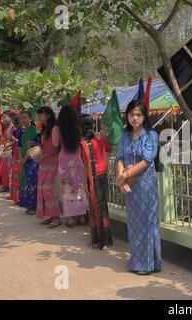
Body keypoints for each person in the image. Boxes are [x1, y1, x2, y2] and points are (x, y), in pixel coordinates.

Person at [116, 100, 161, 275]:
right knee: (134, 224)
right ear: (127, 116)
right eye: (131, 114)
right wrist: (122, 178)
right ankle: (137, 260)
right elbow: (120, 157)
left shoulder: (151, 135)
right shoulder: (125, 136)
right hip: (130, 187)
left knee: (148, 223)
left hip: (145, 184)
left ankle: (148, 264)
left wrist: (124, 176)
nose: (134, 118)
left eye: (138, 115)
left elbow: (146, 161)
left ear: (144, 117)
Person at [80, 114, 113, 249]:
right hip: (103, 175)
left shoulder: (83, 143)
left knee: (95, 208)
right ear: (93, 125)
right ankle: (106, 238)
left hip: (92, 177)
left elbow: (84, 164)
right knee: (103, 207)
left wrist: (84, 183)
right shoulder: (101, 138)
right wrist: (101, 138)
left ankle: (100, 240)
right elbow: (110, 149)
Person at [53, 105, 88, 228]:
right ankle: (82, 217)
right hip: (77, 161)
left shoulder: (56, 129)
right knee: (79, 187)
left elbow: (55, 143)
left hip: (64, 162)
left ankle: (70, 219)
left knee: (66, 189)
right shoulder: (77, 129)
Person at [36, 107, 61, 228]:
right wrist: (36, 146)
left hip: (52, 162)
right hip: (43, 162)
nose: (39, 117)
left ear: (48, 115)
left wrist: (45, 154)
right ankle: (49, 215)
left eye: (41, 114)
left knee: (48, 189)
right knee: (41, 189)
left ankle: (56, 217)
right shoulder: (44, 129)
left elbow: (57, 148)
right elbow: (45, 145)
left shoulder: (55, 129)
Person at [18, 111, 41, 215]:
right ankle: (27, 205)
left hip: (33, 159)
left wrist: (25, 158)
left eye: (25, 118)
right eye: (21, 118)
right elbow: (19, 146)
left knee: (32, 182)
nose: (23, 120)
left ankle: (34, 206)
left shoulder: (35, 131)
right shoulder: (21, 131)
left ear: (30, 119)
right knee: (25, 181)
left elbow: (37, 145)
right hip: (23, 159)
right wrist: (20, 158)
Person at [0, 112, 14, 192]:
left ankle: (6, 186)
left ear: (10, 117)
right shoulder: (5, 128)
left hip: (9, 151)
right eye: (1, 118)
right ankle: (4, 185)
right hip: (5, 150)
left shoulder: (13, 128)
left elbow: (13, 140)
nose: (2, 120)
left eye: (4, 117)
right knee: (1, 169)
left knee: (6, 169)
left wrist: (7, 147)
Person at [9, 113, 21, 204]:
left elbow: (16, 142)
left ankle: (17, 197)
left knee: (17, 176)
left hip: (18, 155)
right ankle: (17, 197)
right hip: (18, 154)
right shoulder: (19, 131)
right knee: (17, 175)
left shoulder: (17, 131)